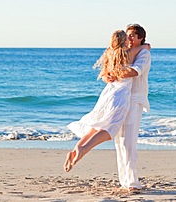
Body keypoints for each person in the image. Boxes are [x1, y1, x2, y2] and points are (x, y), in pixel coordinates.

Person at [64, 29, 150, 172]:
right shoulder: (126, 54)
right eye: (127, 37)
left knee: (98, 125)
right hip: (120, 96)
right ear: (123, 40)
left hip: (108, 93)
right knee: (110, 129)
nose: (129, 39)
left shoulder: (110, 53)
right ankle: (83, 149)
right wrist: (144, 46)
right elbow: (134, 69)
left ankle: (79, 147)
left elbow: (105, 74)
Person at [112, 24, 151, 193]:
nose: (130, 38)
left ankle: (133, 182)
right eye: (128, 35)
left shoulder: (144, 53)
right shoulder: (123, 53)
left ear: (141, 38)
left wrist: (115, 73)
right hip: (120, 100)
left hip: (134, 100)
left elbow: (135, 71)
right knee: (119, 141)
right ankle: (124, 180)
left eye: (134, 36)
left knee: (129, 142)